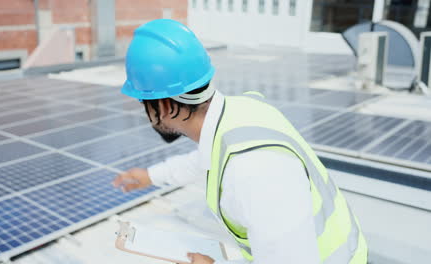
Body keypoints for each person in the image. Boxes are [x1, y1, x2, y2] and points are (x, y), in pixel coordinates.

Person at [112, 19, 368, 264]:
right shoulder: (241, 110)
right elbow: (204, 160)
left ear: (164, 104)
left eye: (144, 102)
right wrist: (151, 176)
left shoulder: (252, 172)